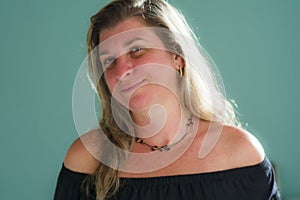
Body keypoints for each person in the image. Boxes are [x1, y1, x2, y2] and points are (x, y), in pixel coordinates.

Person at [54, 0, 280, 199]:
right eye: (109, 60)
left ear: (178, 57)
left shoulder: (240, 153)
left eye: (137, 49)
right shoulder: (87, 158)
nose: (121, 70)